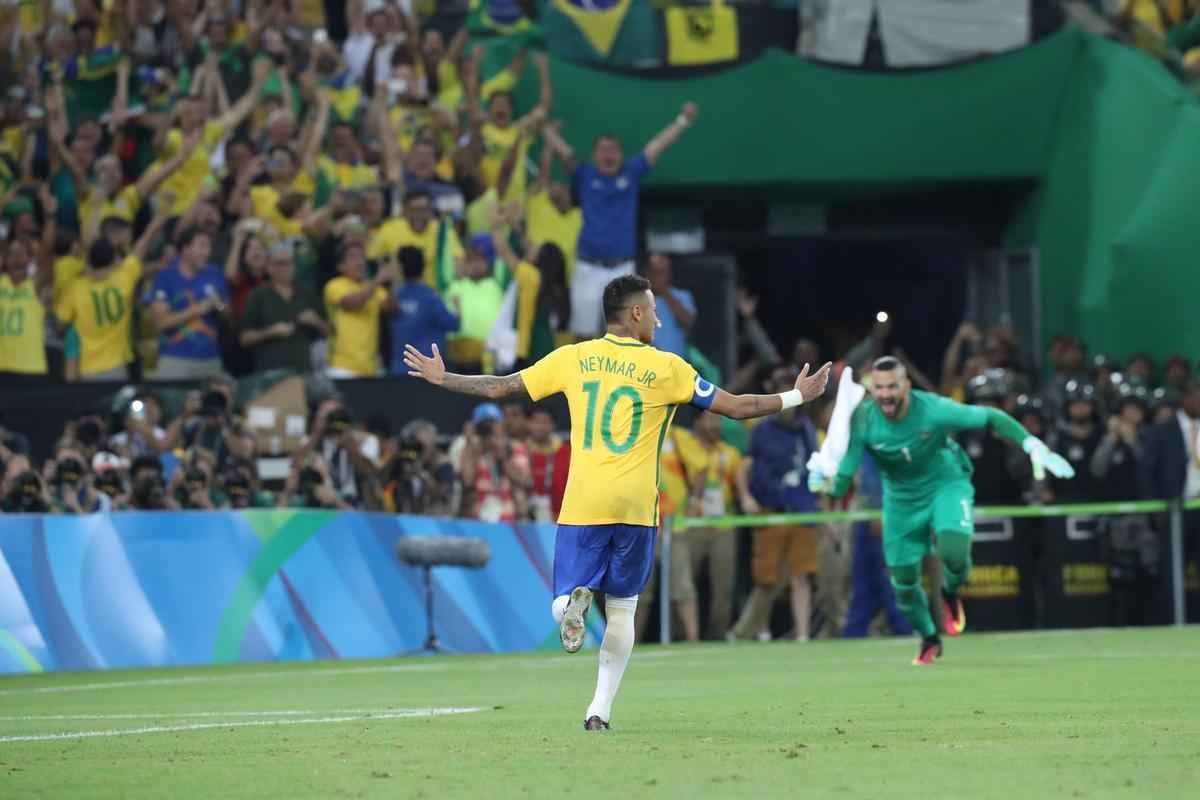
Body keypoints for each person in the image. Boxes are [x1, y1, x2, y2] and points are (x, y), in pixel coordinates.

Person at [403, 274, 832, 730]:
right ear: (635, 314)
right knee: (623, 608)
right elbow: (737, 407)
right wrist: (796, 396)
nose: (658, 318)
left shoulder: (574, 358)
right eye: (652, 310)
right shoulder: (669, 368)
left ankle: (570, 605)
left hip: (585, 499)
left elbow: (500, 388)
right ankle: (598, 711)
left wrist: (443, 376)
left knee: (564, 596)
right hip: (636, 507)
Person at [809, 356, 1075, 665]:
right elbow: (843, 481)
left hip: (945, 484)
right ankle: (929, 638)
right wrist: (822, 483)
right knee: (905, 583)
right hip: (900, 500)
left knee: (953, 552)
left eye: (892, 386)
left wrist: (1031, 444)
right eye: (879, 388)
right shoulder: (864, 420)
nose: (885, 395)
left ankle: (950, 592)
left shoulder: (934, 409)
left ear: (906, 385)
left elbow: (990, 417)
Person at [542, 102, 699, 338]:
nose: (609, 154)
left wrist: (682, 121)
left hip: (622, 269)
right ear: (595, 155)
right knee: (583, 336)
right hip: (588, 267)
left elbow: (658, 145)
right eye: (603, 150)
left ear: (621, 155)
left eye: (614, 150)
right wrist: (544, 127)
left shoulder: (631, 173)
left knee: (624, 334)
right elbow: (563, 151)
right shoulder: (585, 175)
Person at [239, 244, 328, 374]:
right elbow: (244, 338)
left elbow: (329, 332)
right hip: (270, 372)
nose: (286, 268)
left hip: (303, 370)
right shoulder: (258, 296)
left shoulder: (307, 294)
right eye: (281, 263)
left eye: (290, 263)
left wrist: (316, 321)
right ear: (269, 268)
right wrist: (270, 332)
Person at [389, 246, 459, 375]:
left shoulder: (394, 298)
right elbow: (454, 325)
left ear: (401, 268)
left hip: (399, 373)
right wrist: (458, 309)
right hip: (425, 374)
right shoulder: (431, 297)